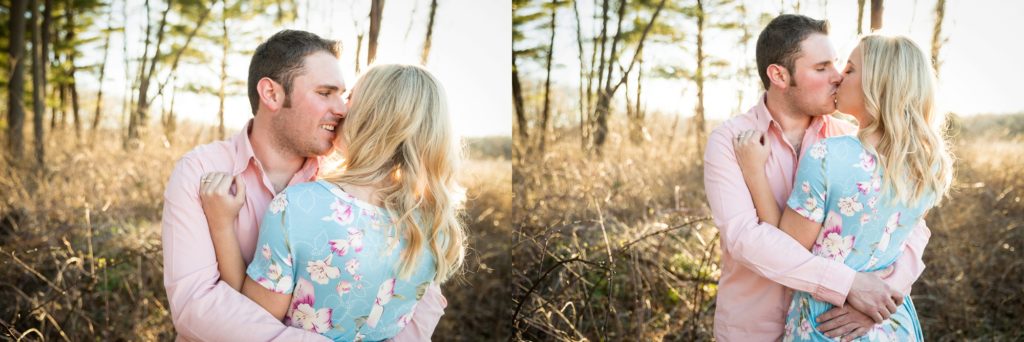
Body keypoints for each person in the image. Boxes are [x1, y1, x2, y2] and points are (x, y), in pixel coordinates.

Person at [161, 30, 446, 341]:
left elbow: (423, 299)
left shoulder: (344, 187)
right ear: (271, 94)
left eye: (344, 94)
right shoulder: (201, 170)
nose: (341, 108)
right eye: (325, 93)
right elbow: (195, 304)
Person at [703, 15, 932, 341]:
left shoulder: (849, 140)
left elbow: (910, 227)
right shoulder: (731, 140)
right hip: (755, 325)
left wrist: (880, 298)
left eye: (840, 66)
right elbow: (744, 237)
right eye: (822, 67)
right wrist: (848, 285)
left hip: (838, 324)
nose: (838, 76)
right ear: (779, 75)